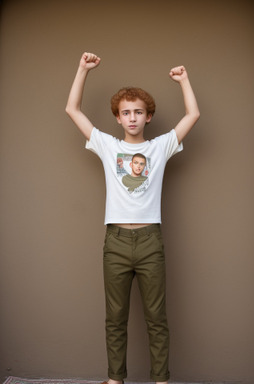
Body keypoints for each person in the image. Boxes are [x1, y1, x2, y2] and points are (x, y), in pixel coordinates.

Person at [66, 52, 200, 384]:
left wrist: (183, 80)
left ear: (148, 116)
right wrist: (82, 69)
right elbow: (72, 110)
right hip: (116, 243)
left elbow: (193, 114)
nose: (132, 118)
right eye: (125, 113)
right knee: (115, 318)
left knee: (157, 318)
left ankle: (161, 380)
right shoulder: (108, 146)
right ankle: (115, 379)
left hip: (151, 241)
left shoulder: (160, 147)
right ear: (117, 117)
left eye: (138, 112)